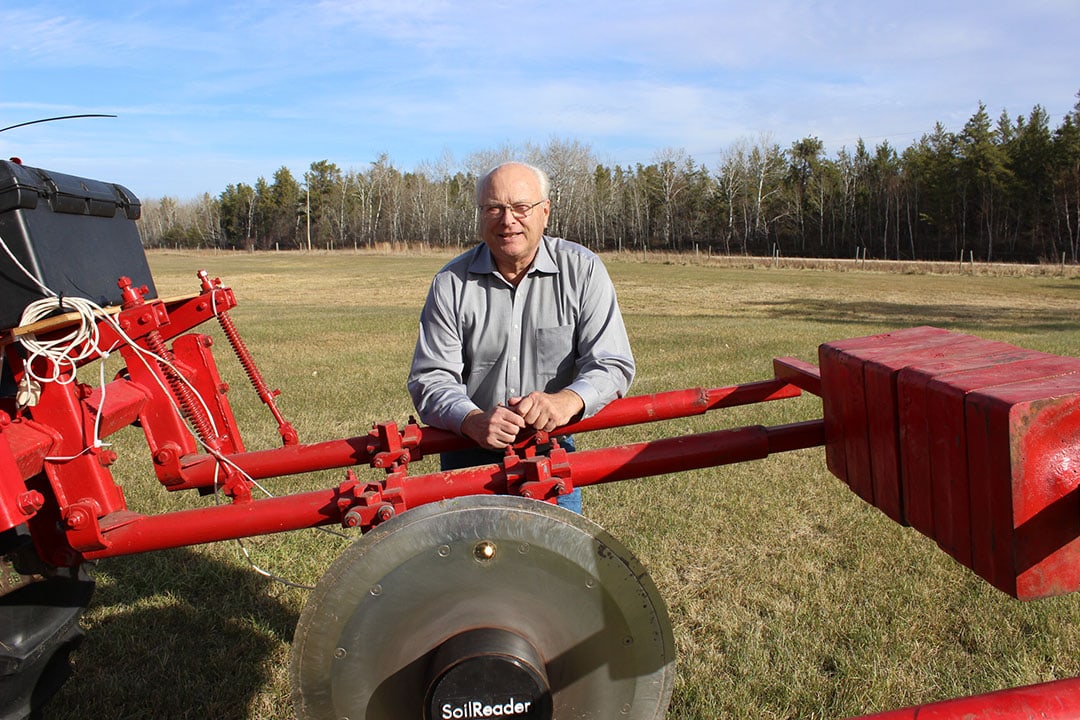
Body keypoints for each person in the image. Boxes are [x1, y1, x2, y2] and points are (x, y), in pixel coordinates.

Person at [407, 161, 635, 512]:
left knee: (554, 562)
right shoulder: (451, 284)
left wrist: (567, 400)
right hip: (468, 458)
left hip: (550, 452)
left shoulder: (583, 271)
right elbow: (430, 378)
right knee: (469, 562)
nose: (507, 220)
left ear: (545, 212)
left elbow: (612, 363)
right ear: (481, 216)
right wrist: (472, 420)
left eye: (520, 207)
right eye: (494, 208)